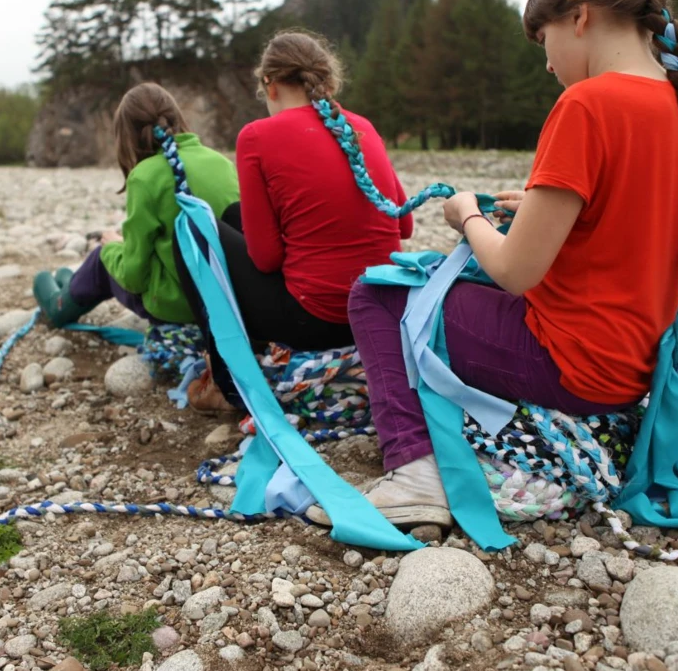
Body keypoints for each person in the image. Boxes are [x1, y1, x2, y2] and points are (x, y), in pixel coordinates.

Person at [313, 0, 678, 528]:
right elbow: (620, 224)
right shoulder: (676, 106)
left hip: (575, 365)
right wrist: (535, 208)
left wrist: (468, 216)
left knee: (378, 294)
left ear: (580, 14)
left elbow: (515, 272)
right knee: (427, 286)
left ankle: (415, 471)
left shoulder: (586, 105)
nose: (548, 62)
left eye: (545, 40)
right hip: (638, 368)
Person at [174, 30, 415, 412]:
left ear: (269, 85)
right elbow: (403, 226)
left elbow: (267, 259)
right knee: (232, 216)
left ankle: (227, 382)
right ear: (327, 79)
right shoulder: (362, 127)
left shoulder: (257, 136)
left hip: (314, 320)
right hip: (377, 312)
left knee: (189, 228)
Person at [33, 83, 239, 328]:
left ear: (127, 137)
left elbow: (133, 278)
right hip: (227, 303)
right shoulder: (222, 162)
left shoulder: (144, 176)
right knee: (102, 259)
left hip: (180, 308)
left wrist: (113, 247)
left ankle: (57, 300)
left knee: (101, 257)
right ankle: (71, 281)